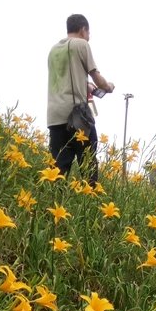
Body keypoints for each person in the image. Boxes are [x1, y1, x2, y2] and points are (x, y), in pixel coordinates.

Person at [47, 14, 114, 187]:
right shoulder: (81, 45)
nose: (89, 37)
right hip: (76, 117)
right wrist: (108, 86)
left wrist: (85, 86)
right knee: (88, 166)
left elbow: (64, 79)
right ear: (83, 29)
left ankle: (52, 209)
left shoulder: (53, 50)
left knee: (58, 170)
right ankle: (90, 205)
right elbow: (98, 79)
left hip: (54, 117)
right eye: (88, 32)